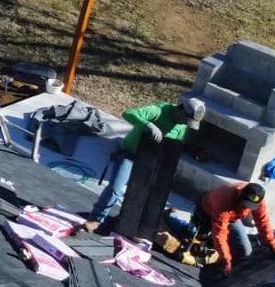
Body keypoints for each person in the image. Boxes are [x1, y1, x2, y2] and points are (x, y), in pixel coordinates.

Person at [81, 94, 206, 233]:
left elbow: (173, 146)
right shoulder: (158, 111)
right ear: (181, 110)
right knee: (115, 189)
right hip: (130, 154)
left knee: (145, 196)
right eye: (185, 119)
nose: (184, 123)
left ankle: (126, 222)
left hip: (151, 160)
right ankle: (96, 219)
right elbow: (129, 113)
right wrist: (148, 125)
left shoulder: (181, 127)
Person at [194, 181, 275, 275]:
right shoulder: (224, 201)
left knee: (245, 251)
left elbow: (263, 222)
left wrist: (272, 244)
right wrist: (226, 260)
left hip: (232, 217)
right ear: (240, 194)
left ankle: (219, 246)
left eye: (248, 206)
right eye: (243, 204)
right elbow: (220, 234)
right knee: (197, 239)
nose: (245, 208)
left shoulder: (259, 201)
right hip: (207, 209)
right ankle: (204, 234)